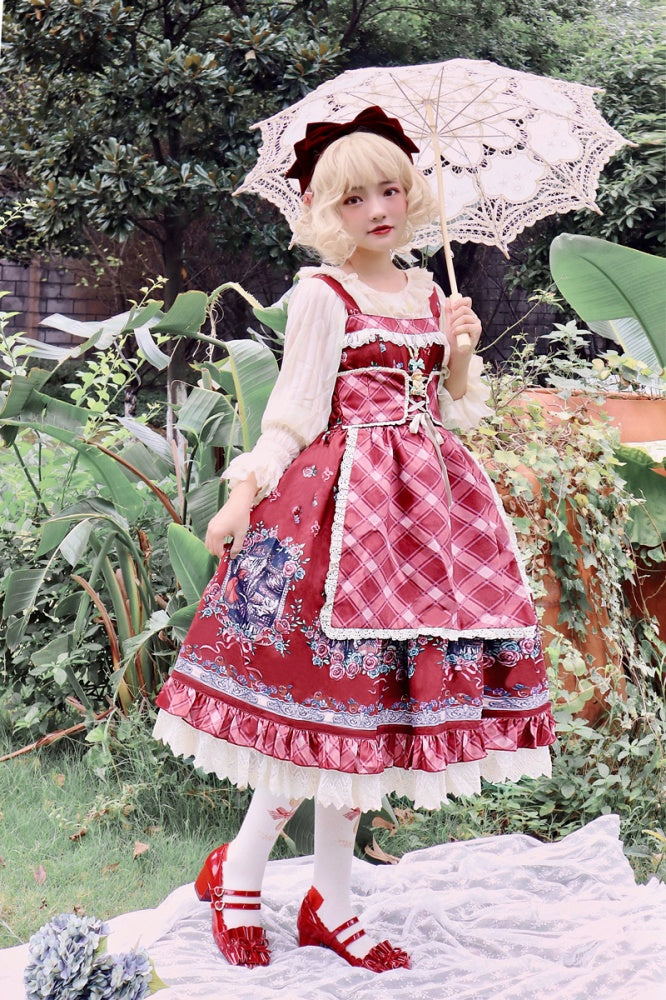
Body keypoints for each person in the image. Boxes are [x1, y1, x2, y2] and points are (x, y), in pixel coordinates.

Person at [154, 106, 556, 973]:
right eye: (352, 199)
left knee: (370, 720)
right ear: (323, 213)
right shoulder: (322, 294)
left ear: (413, 198)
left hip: (428, 525)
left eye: (390, 190)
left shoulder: (429, 294)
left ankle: (329, 903)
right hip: (339, 522)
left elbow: (450, 413)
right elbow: (293, 412)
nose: (377, 209)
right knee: (324, 711)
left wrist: (456, 353)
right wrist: (243, 494)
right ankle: (241, 874)